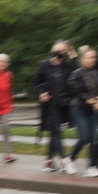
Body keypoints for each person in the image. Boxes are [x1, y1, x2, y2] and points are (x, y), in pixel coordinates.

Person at [32, 40, 73, 172]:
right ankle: (63, 160)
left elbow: (77, 71)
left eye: (64, 50)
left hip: (62, 103)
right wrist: (41, 92)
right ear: (52, 51)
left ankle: (48, 161)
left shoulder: (67, 66)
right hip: (49, 103)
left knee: (55, 132)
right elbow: (36, 81)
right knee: (56, 130)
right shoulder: (45, 65)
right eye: (58, 50)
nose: (60, 53)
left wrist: (72, 53)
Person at [67, 48, 98, 177]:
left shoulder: (96, 73)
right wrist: (91, 101)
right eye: (88, 57)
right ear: (81, 59)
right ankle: (70, 160)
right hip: (80, 109)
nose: (92, 60)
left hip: (93, 109)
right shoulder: (76, 74)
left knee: (95, 138)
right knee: (85, 138)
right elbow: (76, 91)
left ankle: (92, 166)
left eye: (93, 57)